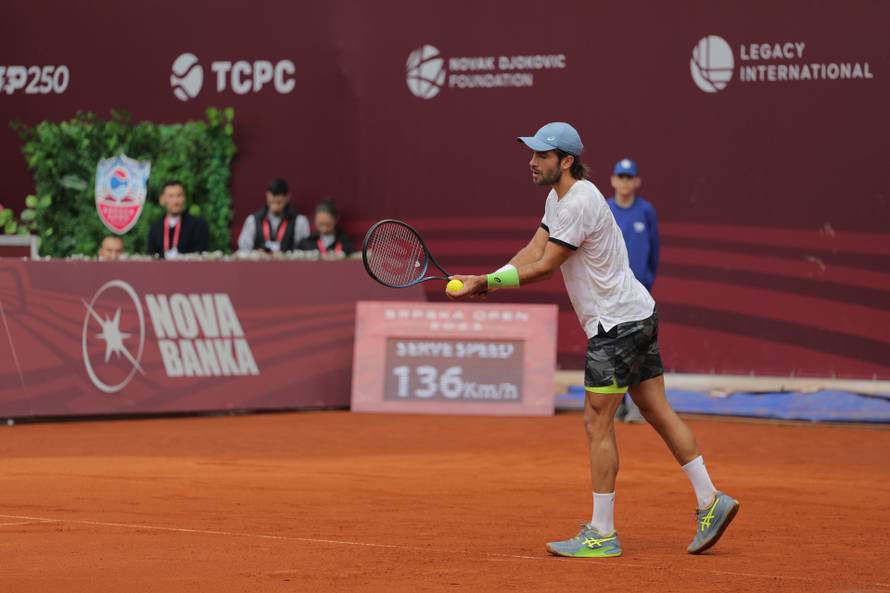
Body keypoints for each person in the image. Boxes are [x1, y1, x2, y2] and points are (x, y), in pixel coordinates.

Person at [448, 122, 738, 558]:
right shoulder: (558, 198)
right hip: (638, 313)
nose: (531, 161)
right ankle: (710, 499)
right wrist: (488, 278)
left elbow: (547, 266)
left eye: (542, 155)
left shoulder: (581, 201)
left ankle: (602, 533)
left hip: (614, 326)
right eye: (531, 153)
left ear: (566, 161)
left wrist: (487, 282)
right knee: (656, 409)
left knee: (595, 421)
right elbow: (535, 247)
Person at [607, 158, 660, 424]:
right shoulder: (604, 209)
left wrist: (646, 283)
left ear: (636, 181)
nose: (625, 182)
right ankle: (618, 405)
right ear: (613, 180)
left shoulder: (646, 211)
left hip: (638, 296)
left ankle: (638, 406)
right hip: (610, 295)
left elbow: (655, 253)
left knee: (639, 350)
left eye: (630, 177)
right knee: (612, 349)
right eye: (621, 176)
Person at [237, 178, 310, 253]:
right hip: (260, 262)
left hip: (287, 263)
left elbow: (303, 251)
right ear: (267, 195)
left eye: (279, 202)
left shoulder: (299, 221)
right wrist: (256, 253)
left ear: (287, 197)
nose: (275, 206)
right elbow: (244, 249)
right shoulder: (253, 220)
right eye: (272, 202)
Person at [147, 181, 209, 259]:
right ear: (162, 200)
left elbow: (202, 256)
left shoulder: (198, 225)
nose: (175, 201)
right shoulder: (155, 228)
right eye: (171, 196)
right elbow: (150, 257)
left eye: (179, 195)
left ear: (184, 198)